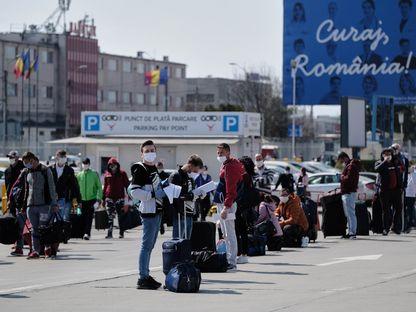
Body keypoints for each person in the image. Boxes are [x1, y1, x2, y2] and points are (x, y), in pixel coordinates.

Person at [129, 140, 167, 290]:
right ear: (142, 153)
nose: (150, 153)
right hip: (148, 212)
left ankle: (145, 274)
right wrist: (152, 194)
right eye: (147, 151)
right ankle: (142, 277)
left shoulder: (153, 169)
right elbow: (134, 192)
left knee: (150, 246)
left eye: (152, 150)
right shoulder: (140, 168)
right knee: (146, 246)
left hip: (157, 210)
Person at [20, 152, 58, 259]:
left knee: (44, 228)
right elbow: (25, 190)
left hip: (44, 206)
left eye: (27, 162)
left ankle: (47, 248)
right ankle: (35, 251)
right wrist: (23, 205)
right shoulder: (27, 172)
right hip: (30, 206)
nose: (26, 165)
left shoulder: (46, 171)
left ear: (33, 160)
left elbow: (52, 187)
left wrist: (54, 203)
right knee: (34, 230)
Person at [214, 143, 244, 271]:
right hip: (225, 203)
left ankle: (232, 262)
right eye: (218, 153)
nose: (219, 155)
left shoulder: (230, 167)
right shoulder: (227, 164)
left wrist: (226, 207)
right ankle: (229, 259)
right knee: (226, 234)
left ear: (227, 152)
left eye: (221, 153)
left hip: (227, 204)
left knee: (230, 234)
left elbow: (231, 190)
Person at [169, 155, 204, 239]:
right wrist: (191, 196)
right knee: (178, 241)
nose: (196, 173)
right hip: (180, 214)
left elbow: (191, 193)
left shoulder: (190, 178)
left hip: (189, 213)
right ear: (190, 165)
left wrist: (199, 195)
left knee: (187, 243)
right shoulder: (176, 176)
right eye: (195, 170)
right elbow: (174, 196)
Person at [375, 148, 403, 235]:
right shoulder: (379, 162)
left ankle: (394, 227)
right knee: (386, 210)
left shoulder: (395, 162)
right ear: (382, 155)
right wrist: (384, 161)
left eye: (389, 154)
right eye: (385, 154)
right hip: (385, 191)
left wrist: (401, 186)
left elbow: (402, 169)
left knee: (398, 209)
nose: (388, 155)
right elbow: (377, 169)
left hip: (396, 190)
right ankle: (385, 229)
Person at [235, 156, 257, 264]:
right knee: (242, 231)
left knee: (240, 231)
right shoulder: (249, 176)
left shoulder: (244, 176)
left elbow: (240, 193)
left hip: (241, 207)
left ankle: (242, 254)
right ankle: (243, 254)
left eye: (240, 164)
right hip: (245, 207)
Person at [50, 150, 81, 222]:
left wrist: (77, 201)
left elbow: (74, 186)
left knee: (63, 220)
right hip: (52, 199)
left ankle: (61, 232)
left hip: (64, 199)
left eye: (64, 157)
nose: (63, 158)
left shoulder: (69, 170)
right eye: (61, 156)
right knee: (51, 220)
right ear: (57, 157)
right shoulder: (50, 169)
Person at [76, 158, 103, 240]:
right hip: (81, 200)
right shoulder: (79, 175)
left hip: (92, 199)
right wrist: (76, 199)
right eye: (84, 163)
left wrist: (98, 199)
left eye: (86, 163)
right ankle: (82, 232)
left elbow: (99, 187)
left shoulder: (94, 174)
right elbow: (76, 188)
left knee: (89, 217)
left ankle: (87, 233)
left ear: (89, 164)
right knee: (81, 216)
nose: (85, 165)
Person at [103, 157, 130, 239]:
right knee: (110, 216)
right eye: (111, 165)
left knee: (121, 216)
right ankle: (109, 233)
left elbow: (127, 186)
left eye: (114, 165)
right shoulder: (107, 174)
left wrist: (129, 198)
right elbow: (105, 187)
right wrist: (103, 198)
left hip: (120, 198)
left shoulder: (122, 173)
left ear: (117, 165)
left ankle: (121, 233)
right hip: (109, 198)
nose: (113, 167)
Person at [338, 152, 360, 239]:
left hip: (349, 192)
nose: (342, 162)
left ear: (345, 158)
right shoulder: (350, 165)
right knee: (349, 213)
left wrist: (342, 177)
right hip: (348, 192)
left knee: (351, 213)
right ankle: (351, 231)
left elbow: (349, 179)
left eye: (342, 160)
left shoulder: (351, 166)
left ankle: (353, 233)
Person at [404, 165, 416, 232]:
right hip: (405, 195)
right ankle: (406, 226)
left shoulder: (414, 174)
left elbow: (413, 183)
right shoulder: (407, 174)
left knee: (409, 212)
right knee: (406, 211)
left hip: (411, 195)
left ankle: (409, 226)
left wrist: (412, 172)